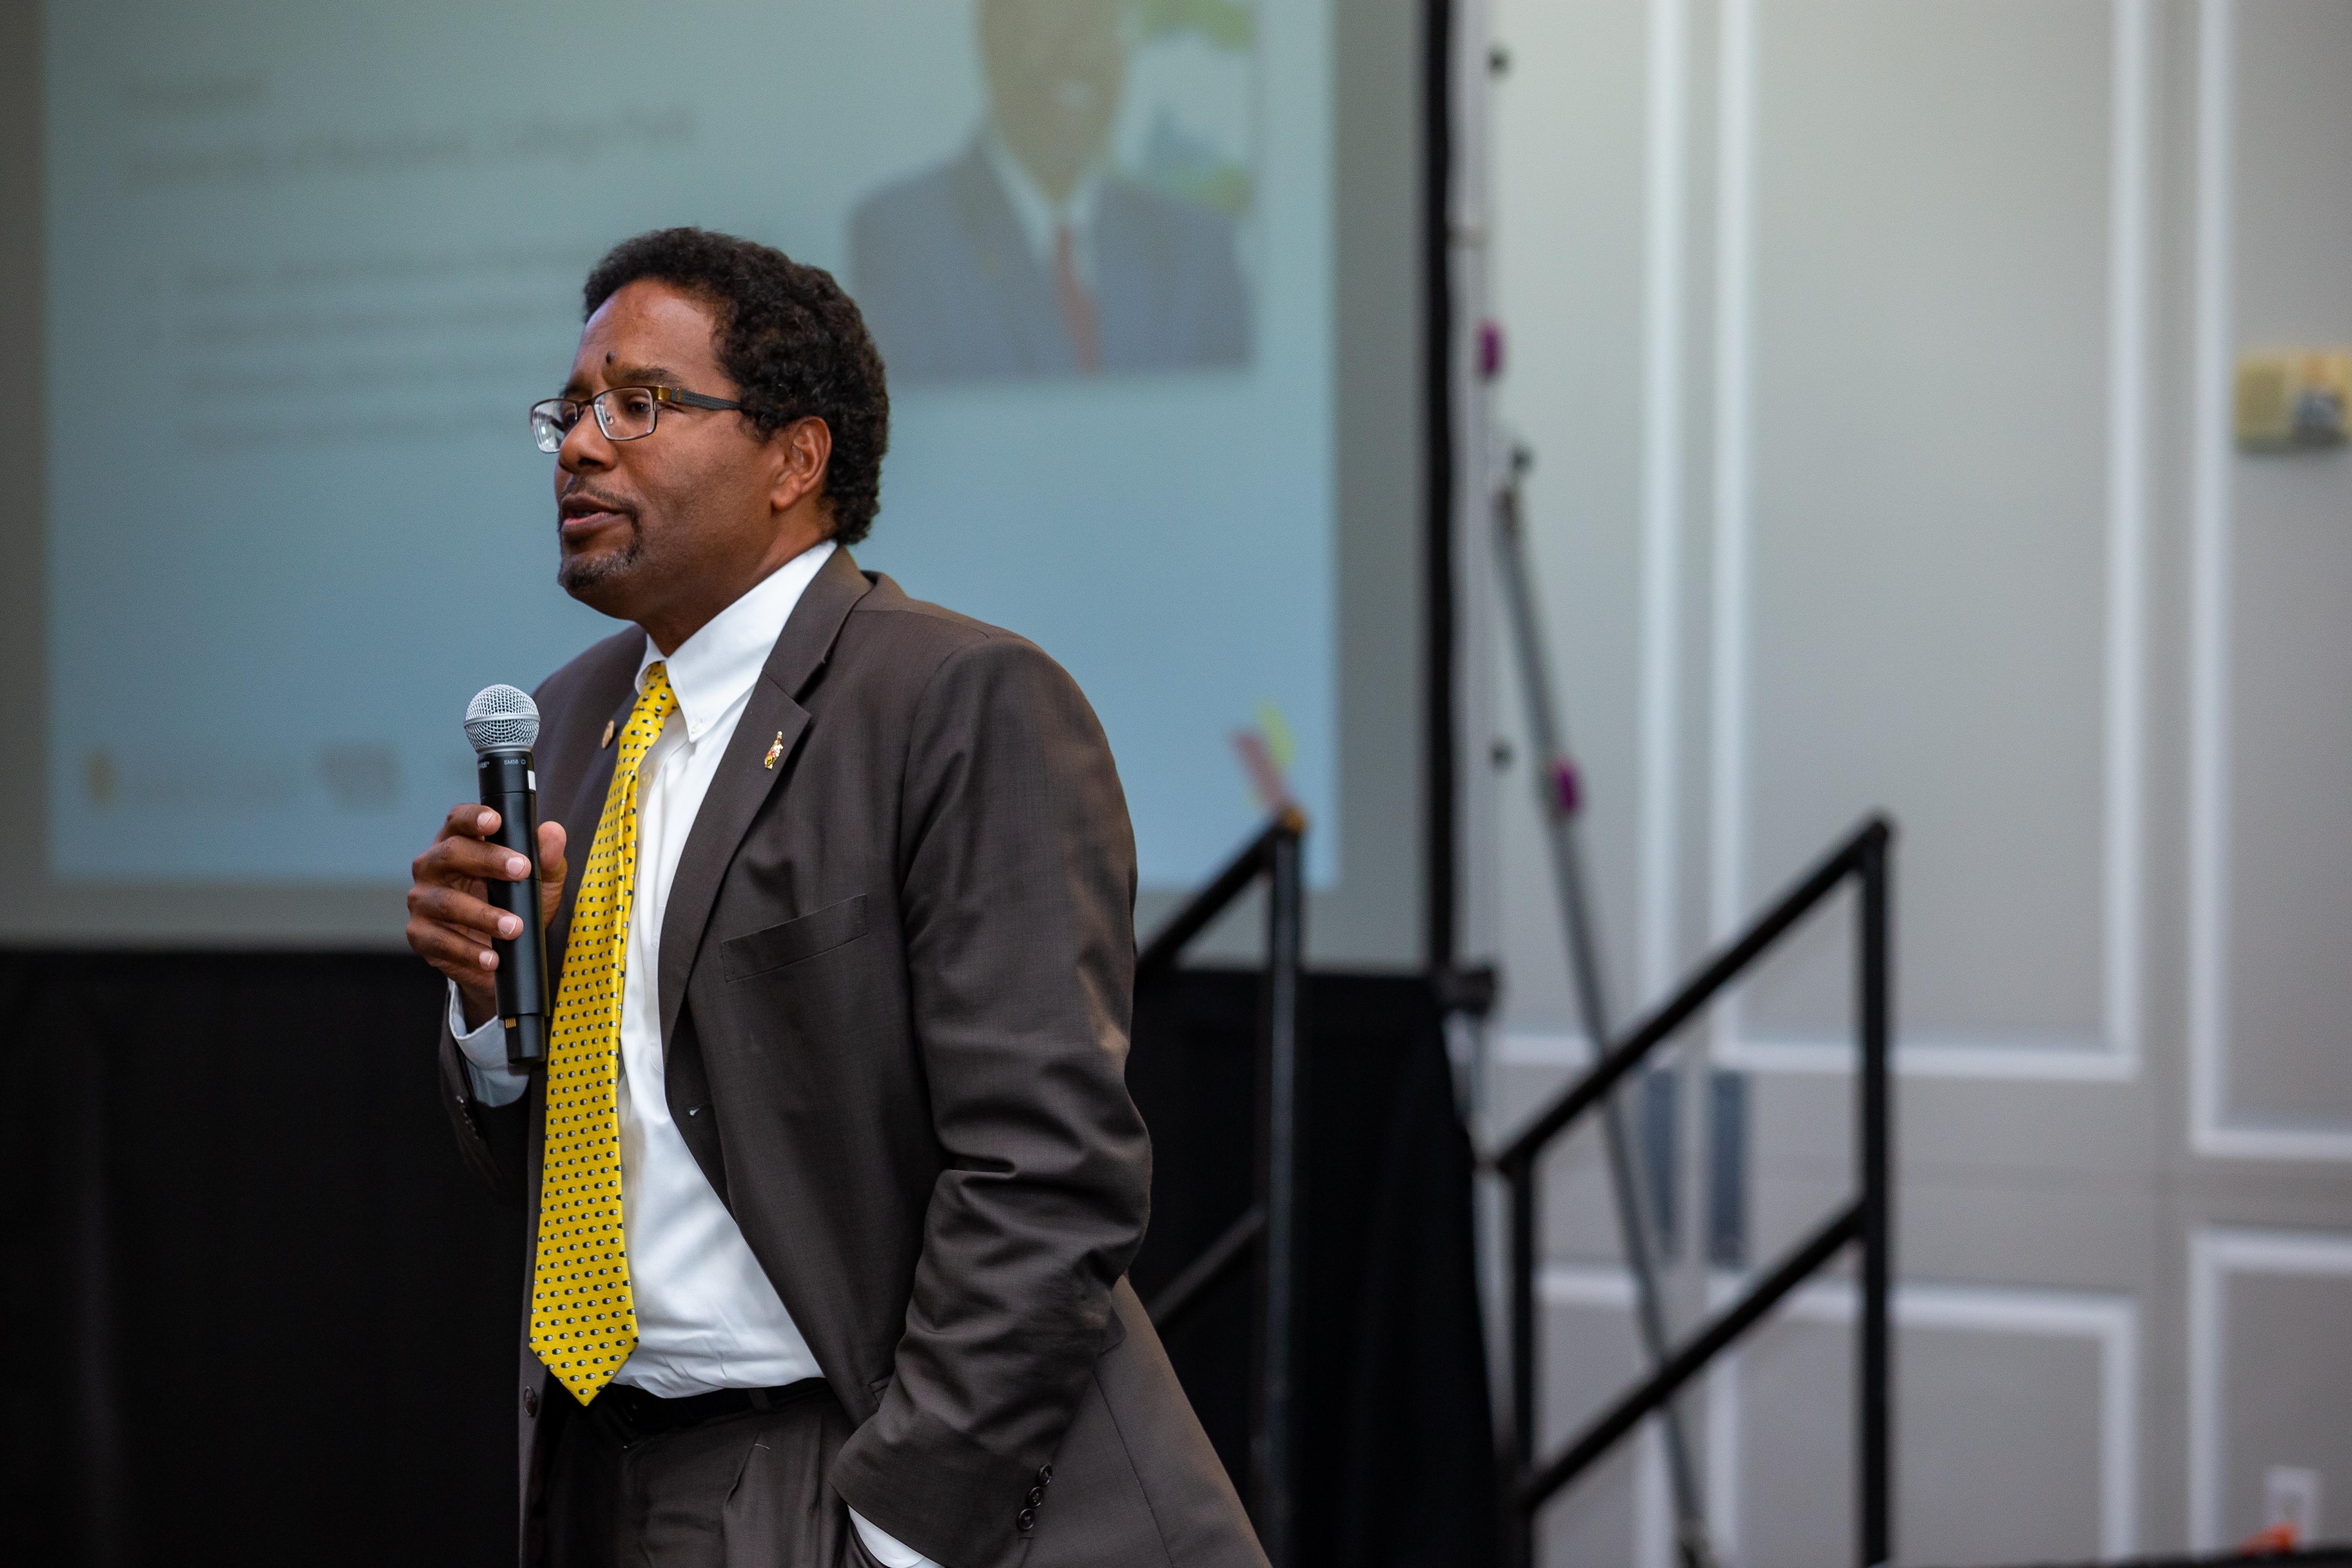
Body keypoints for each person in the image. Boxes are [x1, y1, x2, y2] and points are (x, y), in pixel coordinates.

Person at [405, 226, 1263, 1568]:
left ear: (795, 461)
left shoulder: (954, 703)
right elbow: (587, 1153)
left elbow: (1049, 1173)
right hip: (604, 1470)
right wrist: (487, 1021)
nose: (580, 445)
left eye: (639, 403)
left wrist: (900, 1526)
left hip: (850, 1474)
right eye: (570, 410)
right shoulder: (572, 725)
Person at [849, 0, 1250, 382]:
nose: (1077, 56)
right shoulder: (904, 240)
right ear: (991, 40)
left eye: (1101, 30)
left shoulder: (1196, 250)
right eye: (1049, 25)